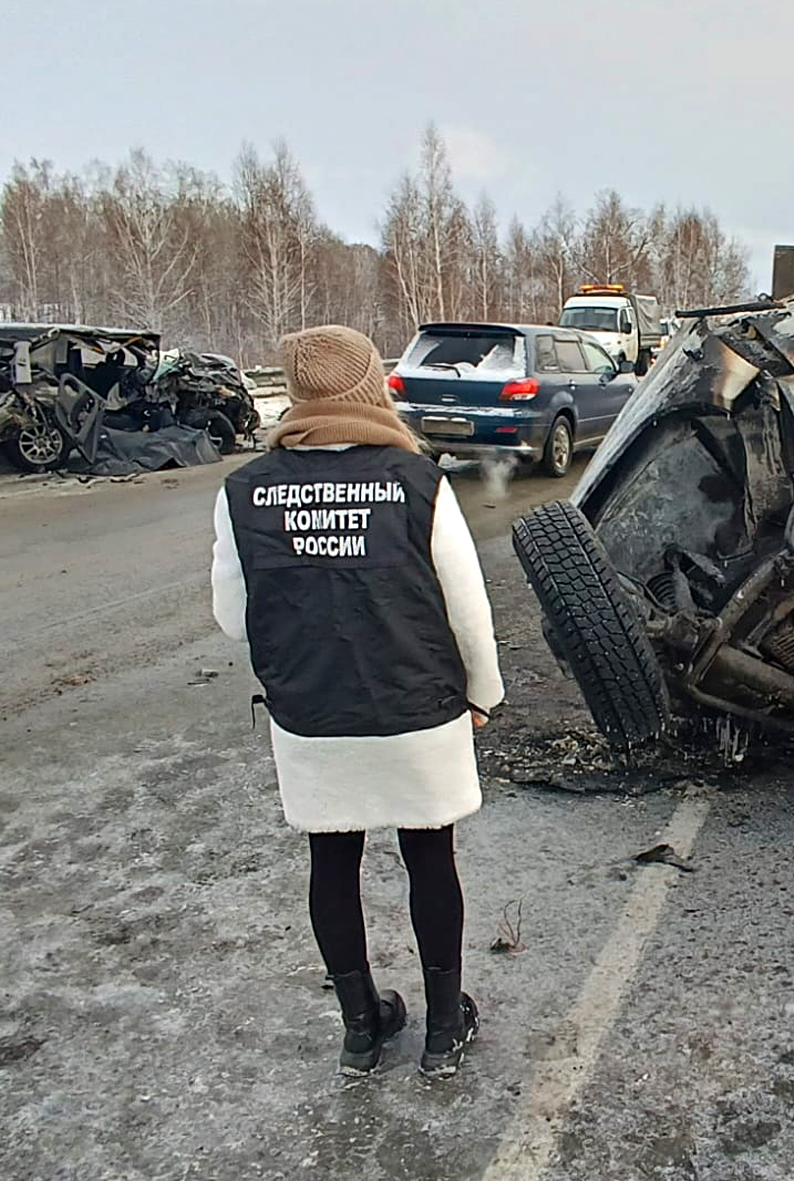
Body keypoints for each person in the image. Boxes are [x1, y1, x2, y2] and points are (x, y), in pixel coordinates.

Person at [209, 324, 503, 1078]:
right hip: (416, 706)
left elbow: (231, 613)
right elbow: (466, 607)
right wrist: (482, 694)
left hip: (312, 710)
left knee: (330, 860)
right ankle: (443, 1031)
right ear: (372, 385)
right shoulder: (417, 482)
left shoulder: (244, 491)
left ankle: (361, 1028)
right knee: (429, 855)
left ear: (299, 394)